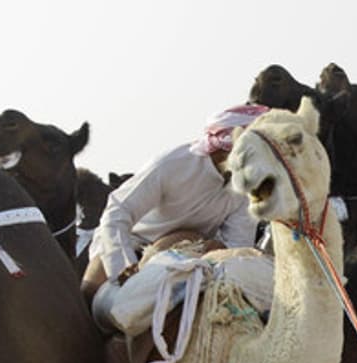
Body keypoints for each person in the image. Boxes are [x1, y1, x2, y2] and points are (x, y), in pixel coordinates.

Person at [84, 104, 268, 322]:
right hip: (132, 244)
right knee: (88, 302)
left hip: (193, 252)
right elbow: (117, 212)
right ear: (224, 146)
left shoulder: (245, 188)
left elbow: (237, 246)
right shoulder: (173, 165)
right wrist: (126, 269)